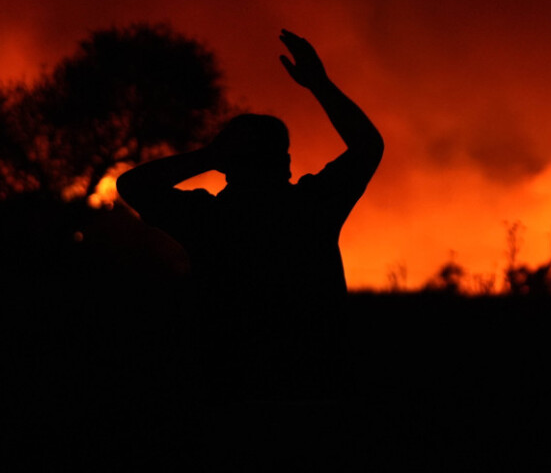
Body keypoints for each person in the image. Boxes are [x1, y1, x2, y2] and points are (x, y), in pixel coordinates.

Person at [116, 29, 383, 399]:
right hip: (315, 382)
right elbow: (368, 146)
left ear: (228, 165)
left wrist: (209, 156)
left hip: (227, 380)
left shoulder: (207, 219)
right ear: (286, 162)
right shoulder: (312, 207)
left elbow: (132, 185)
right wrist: (320, 85)